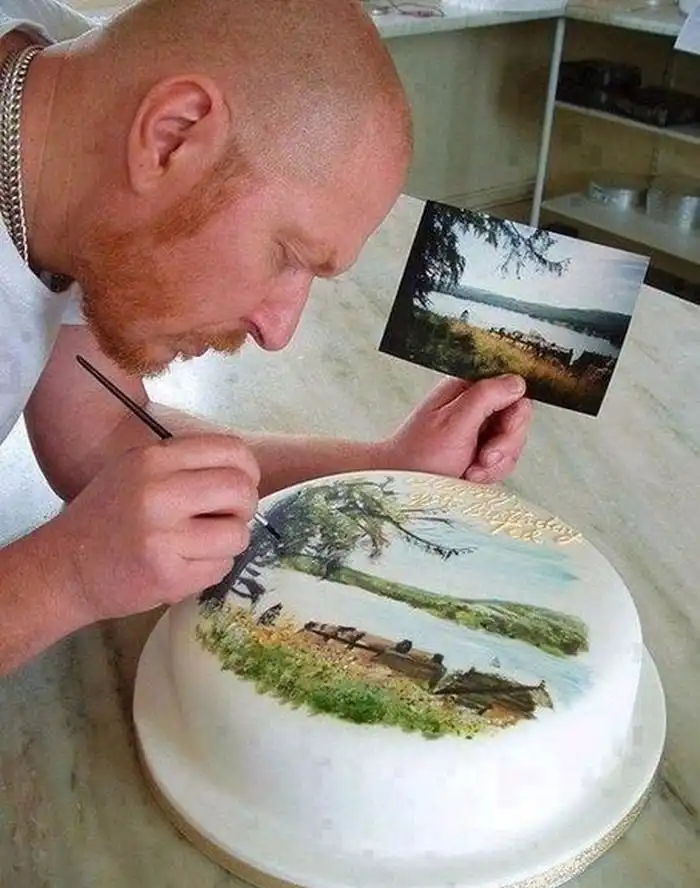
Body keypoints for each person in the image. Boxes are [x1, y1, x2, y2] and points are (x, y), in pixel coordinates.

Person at [0, 0, 532, 675]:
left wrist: (390, 465)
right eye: (287, 255)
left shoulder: (70, 117)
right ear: (171, 136)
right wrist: (64, 577)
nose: (277, 330)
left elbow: (102, 431)